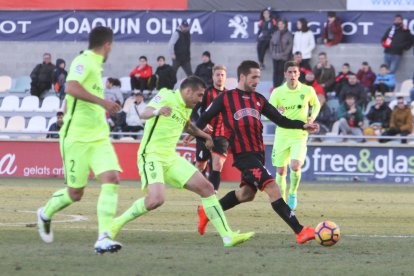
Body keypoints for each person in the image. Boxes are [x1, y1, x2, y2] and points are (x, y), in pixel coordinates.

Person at [111, 76, 255, 248]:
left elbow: (187, 126)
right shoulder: (166, 95)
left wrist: (205, 136)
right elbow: (144, 113)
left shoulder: (187, 106)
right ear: (188, 91)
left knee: (208, 189)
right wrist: (158, 111)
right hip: (151, 155)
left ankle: (227, 236)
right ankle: (116, 223)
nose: (201, 100)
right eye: (200, 96)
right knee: (156, 200)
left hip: (170, 158)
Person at [194, 60, 319, 244]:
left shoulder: (259, 99)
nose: (257, 81)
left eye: (259, 77)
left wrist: (303, 125)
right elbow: (201, 120)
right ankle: (300, 231)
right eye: (254, 77)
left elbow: (281, 120)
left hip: (258, 155)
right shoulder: (226, 98)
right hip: (243, 156)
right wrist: (205, 139)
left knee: (246, 194)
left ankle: (208, 211)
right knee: (273, 187)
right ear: (242, 76)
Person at [37, 26, 124, 254]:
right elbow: (70, 87)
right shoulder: (83, 60)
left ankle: (103, 236)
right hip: (76, 137)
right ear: (107, 45)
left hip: (99, 137)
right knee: (75, 193)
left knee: (111, 178)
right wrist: (103, 102)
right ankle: (45, 213)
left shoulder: (97, 66)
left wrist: (102, 105)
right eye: (111, 46)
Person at [269, 61, 320, 210]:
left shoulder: (307, 90)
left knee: (295, 165)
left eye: (295, 72)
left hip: (300, 134)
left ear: (299, 74)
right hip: (282, 134)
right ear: (285, 74)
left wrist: (311, 117)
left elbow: (316, 105)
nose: (292, 75)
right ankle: (281, 198)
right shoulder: (277, 92)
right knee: (280, 170)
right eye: (289, 72)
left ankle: (293, 193)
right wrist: (278, 113)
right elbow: (270, 112)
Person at [191, 65, 229, 190]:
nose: (220, 77)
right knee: (200, 166)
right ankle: (204, 190)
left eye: (222, 75)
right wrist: (203, 124)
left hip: (221, 135)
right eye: (217, 75)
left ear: (225, 77)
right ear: (213, 77)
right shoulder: (206, 93)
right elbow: (194, 112)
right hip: (204, 135)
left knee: (217, 164)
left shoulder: (229, 95)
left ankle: (213, 195)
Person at [270, 19, 293, 88]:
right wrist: (272, 52)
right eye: (279, 24)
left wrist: (284, 54)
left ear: (285, 25)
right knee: (275, 72)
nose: (280, 26)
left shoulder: (289, 34)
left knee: (281, 72)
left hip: (283, 57)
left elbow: (290, 46)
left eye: (282, 24)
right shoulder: (275, 33)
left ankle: (279, 87)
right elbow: (271, 43)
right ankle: (275, 87)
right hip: (275, 56)